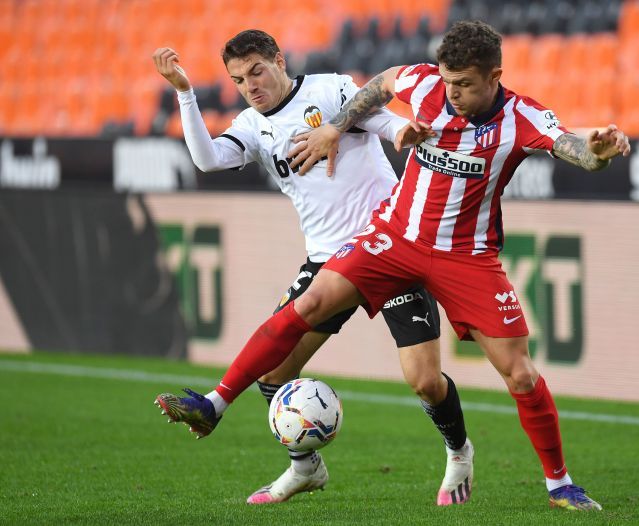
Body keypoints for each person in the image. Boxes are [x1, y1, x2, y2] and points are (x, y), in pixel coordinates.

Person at [158, 21, 631, 511]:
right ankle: (215, 405)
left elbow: (573, 146)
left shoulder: (521, 116)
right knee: (309, 306)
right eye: (447, 82)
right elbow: (384, 82)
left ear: (495, 77)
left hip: (466, 256)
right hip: (394, 237)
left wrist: (595, 153)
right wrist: (337, 126)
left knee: (515, 374)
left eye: (464, 85)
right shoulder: (426, 84)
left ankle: (556, 484)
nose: (452, 94)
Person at [152, 29, 475, 507]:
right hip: (328, 261)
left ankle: (459, 452)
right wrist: (185, 93)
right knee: (273, 371)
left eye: (257, 71)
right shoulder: (251, 124)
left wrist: (404, 133)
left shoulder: (330, 90)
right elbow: (207, 160)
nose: (251, 86)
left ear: (279, 60)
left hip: (387, 248)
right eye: (239, 80)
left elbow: (385, 123)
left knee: (425, 380)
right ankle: (305, 468)